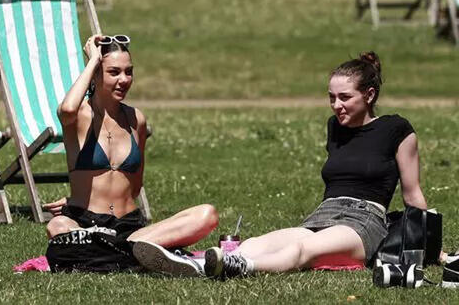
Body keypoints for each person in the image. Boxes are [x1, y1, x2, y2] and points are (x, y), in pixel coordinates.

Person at [135, 51, 430, 278]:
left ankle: (241, 267)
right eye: (331, 98)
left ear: (369, 95)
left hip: (364, 222)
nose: (336, 106)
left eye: (345, 98)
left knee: (302, 250)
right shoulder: (335, 127)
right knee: (254, 243)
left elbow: (412, 193)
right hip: (323, 215)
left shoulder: (396, 129)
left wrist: (429, 244)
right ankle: (197, 265)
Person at [44, 34, 218, 274]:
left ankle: (118, 252)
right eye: (114, 72)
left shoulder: (136, 119)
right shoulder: (80, 116)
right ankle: (140, 254)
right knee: (58, 226)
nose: (124, 80)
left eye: (129, 72)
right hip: (86, 223)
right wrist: (93, 59)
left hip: (130, 227)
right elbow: (67, 108)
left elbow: (135, 188)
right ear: (95, 74)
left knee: (207, 215)